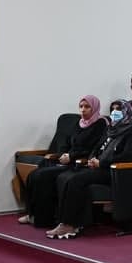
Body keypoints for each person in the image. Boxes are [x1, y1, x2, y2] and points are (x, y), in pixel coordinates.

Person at [45, 100, 132, 240]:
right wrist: (92, 159)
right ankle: (65, 220)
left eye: (118, 109)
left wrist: (102, 162)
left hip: (115, 171)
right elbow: (97, 147)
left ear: (126, 112)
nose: (114, 112)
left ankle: (70, 224)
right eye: (112, 109)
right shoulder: (111, 129)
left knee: (76, 180)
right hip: (99, 167)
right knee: (67, 176)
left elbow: (127, 156)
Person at [21, 95, 107, 229]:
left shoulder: (100, 124)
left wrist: (71, 156)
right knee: (34, 175)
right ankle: (33, 214)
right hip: (67, 161)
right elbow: (67, 141)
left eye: (87, 107)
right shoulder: (79, 123)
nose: (83, 110)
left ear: (94, 108)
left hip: (80, 163)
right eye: (81, 106)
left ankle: (43, 218)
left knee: (43, 176)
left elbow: (92, 148)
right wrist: (63, 154)